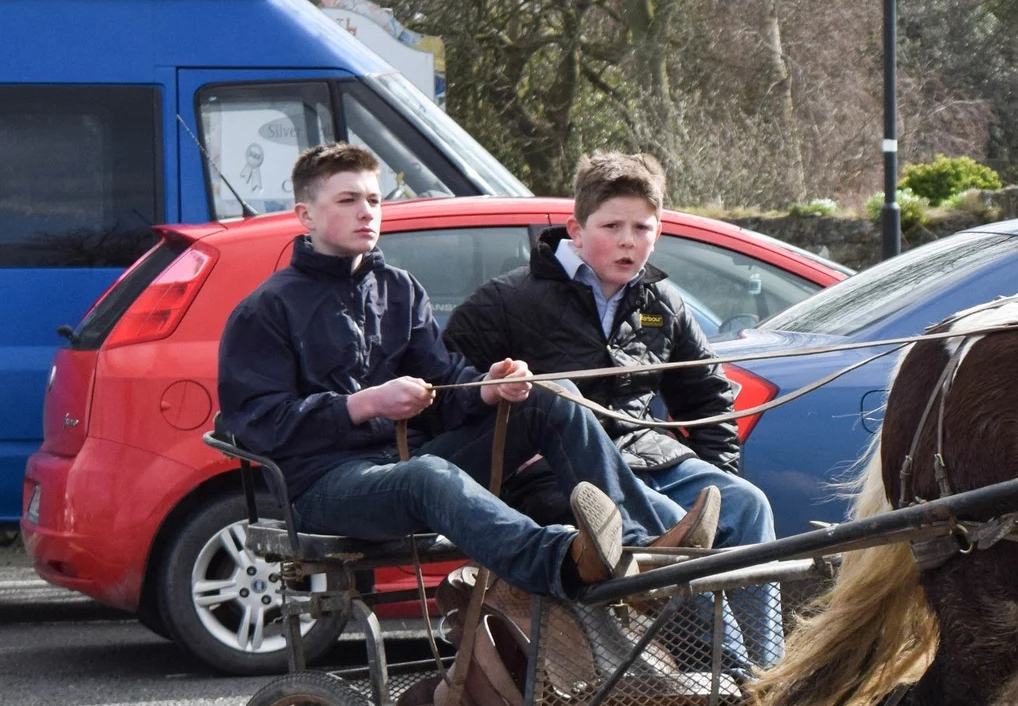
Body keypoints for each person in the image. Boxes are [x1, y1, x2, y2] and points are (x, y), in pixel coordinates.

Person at [217, 144, 717, 602]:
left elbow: (446, 386)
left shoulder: (401, 289)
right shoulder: (265, 309)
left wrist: (489, 388)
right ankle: (566, 564)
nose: (367, 211)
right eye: (348, 200)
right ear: (304, 214)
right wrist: (364, 404)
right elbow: (258, 425)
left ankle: (645, 552)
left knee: (550, 392)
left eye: (374, 199)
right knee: (427, 475)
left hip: (405, 461)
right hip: (322, 488)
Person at [445, 150, 780, 661]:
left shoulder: (662, 300)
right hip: (556, 476)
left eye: (643, 227)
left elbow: (709, 398)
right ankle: (727, 676)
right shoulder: (506, 300)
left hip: (647, 455)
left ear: (659, 230)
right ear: (576, 232)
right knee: (668, 521)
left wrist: (713, 481)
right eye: (612, 226)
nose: (629, 240)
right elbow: (449, 390)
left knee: (747, 503)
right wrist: (494, 389)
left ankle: (767, 673)